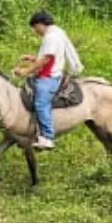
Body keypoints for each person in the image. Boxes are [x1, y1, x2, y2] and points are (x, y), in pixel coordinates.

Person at [15, 10, 84, 150]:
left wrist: (25, 71)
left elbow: (47, 59)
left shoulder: (51, 37)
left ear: (41, 24)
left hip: (49, 77)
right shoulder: (56, 33)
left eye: (35, 27)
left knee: (41, 103)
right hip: (49, 72)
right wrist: (33, 58)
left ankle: (47, 137)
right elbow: (50, 56)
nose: (35, 31)